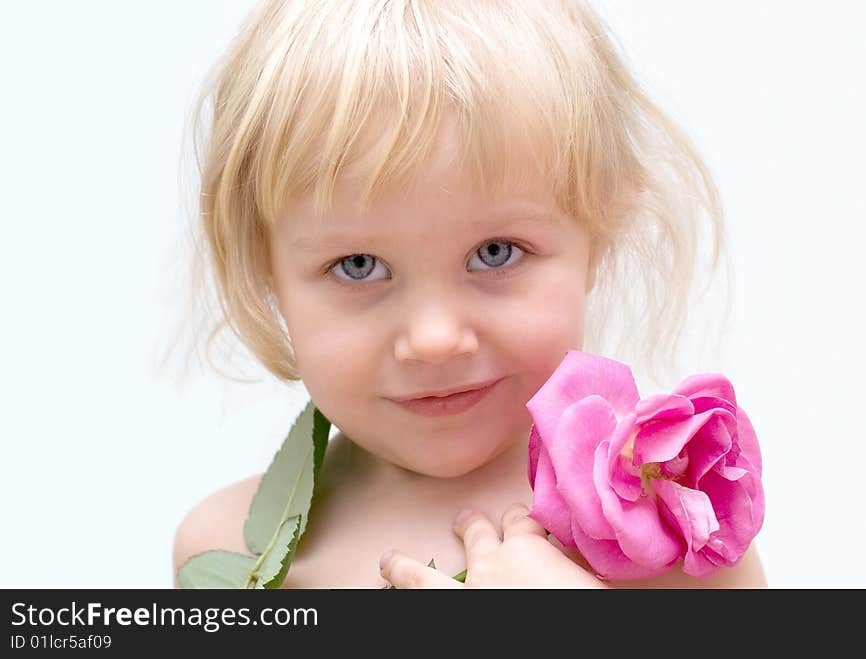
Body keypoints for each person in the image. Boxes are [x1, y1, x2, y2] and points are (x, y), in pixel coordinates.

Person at [171, 0, 766, 588]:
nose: (434, 340)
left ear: (600, 238)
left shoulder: (679, 541)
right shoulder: (226, 555)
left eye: (495, 253)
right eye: (357, 265)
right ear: (264, 269)